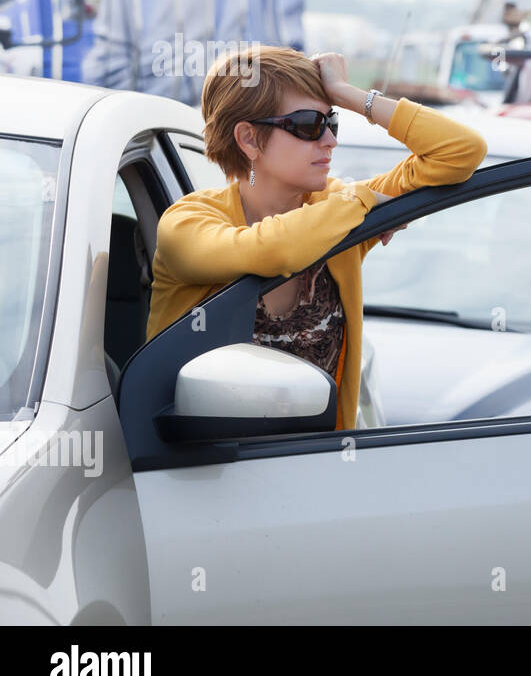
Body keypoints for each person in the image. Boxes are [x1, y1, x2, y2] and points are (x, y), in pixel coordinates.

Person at [144, 45, 488, 430]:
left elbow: (461, 153)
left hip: (320, 467)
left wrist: (352, 95)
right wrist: (361, 200)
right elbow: (273, 250)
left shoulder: (340, 211)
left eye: (332, 122)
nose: (330, 141)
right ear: (249, 139)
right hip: (199, 476)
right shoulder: (186, 223)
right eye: (309, 125)